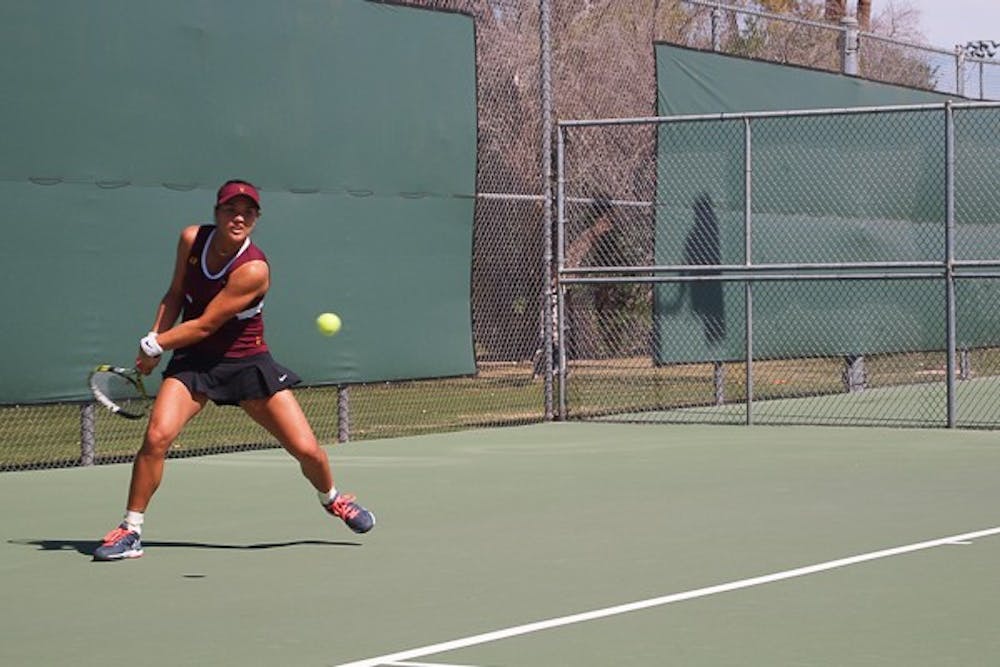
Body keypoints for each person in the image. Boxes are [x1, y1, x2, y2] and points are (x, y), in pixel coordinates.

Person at [94, 179, 374, 561]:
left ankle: (333, 499)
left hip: (247, 363)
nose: (238, 217)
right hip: (193, 362)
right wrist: (154, 335)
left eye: (247, 211)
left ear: (256, 219)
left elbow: (208, 323)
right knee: (157, 437)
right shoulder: (191, 239)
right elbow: (176, 292)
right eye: (230, 209)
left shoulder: (254, 269)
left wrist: (154, 346)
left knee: (309, 452)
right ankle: (130, 530)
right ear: (217, 212)